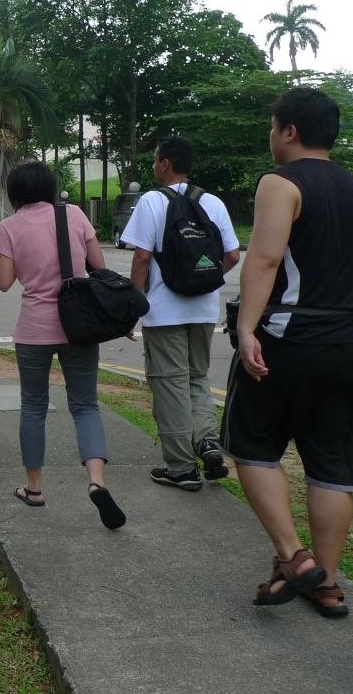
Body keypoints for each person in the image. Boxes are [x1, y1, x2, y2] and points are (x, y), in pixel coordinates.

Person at [226, 88, 353, 617]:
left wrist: (247, 328)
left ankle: (295, 559)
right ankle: (327, 583)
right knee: (331, 464)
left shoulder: (281, 182)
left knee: (252, 444)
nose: (272, 138)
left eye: (274, 128)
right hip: (350, 341)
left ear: (288, 131)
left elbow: (265, 260)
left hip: (289, 338)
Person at [0, 160, 126, 530]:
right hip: (79, 327)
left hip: (34, 330)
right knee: (85, 405)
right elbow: (98, 266)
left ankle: (34, 489)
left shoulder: (10, 226)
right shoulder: (74, 215)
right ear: (51, 188)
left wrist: (27, 263)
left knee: (33, 407)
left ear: (15, 192)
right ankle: (97, 482)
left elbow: (4, 282)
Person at [122, 136, 241, 491]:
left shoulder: (152, 201)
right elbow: (233, 256)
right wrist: (203, 278)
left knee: (169, 383)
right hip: (204, 308)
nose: (154, 165)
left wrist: (133, 306)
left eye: (156, 159)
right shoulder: (213, 202)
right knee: (196, 377)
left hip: (164, 310)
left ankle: (181, 468)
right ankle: (207, 442)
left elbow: (142, 258)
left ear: (165, 163)